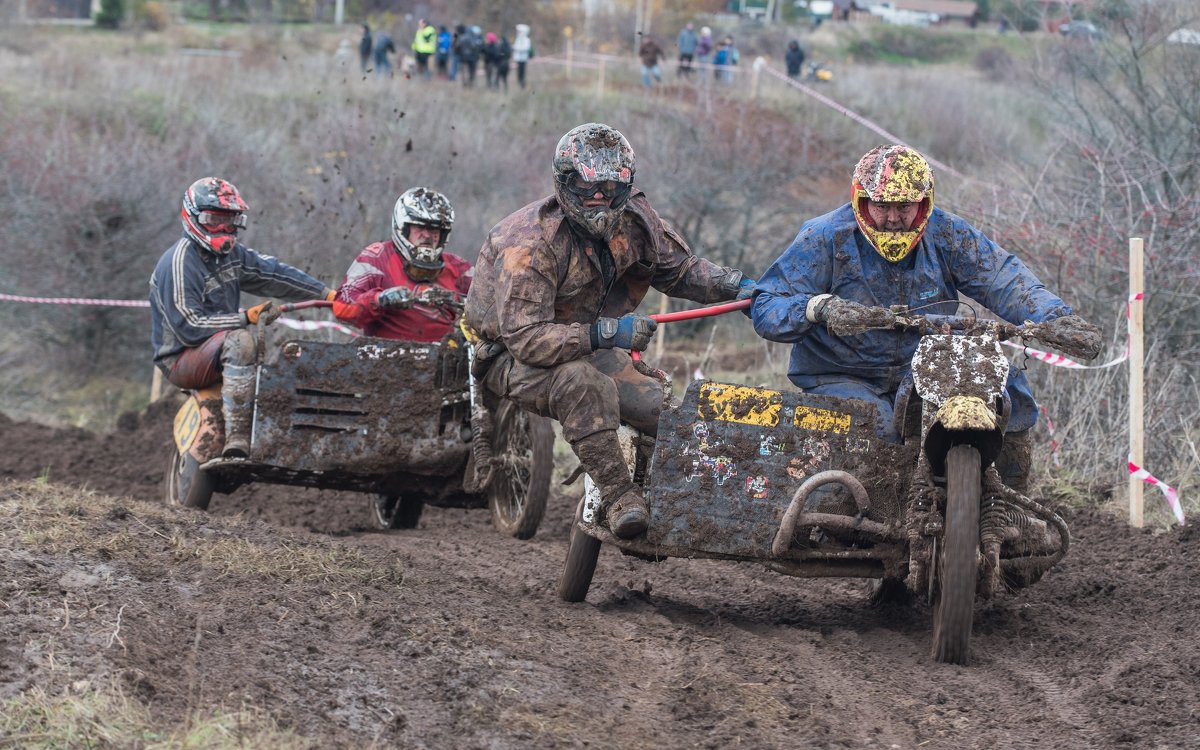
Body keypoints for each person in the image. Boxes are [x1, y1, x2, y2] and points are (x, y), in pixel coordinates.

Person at [749, 145, 1102, 493]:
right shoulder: (824, 236)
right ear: (861, 201)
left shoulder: (947, 234)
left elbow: (1003, 278)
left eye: (904, 207)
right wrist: (817, 308)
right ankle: (860, 520)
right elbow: (768, 305)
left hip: (926, 365)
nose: (891, 218)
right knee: (877, 430)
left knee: (1007, 389)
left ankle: (1005, 505)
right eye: (882, 206)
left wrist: (1057, 319)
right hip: (841, 372)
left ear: (924, 203)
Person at [462, 123, 756, 539]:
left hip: (591, 340)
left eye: (610, 185)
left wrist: (737, 286)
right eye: (587, 185)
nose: (599, 196)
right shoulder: (528, 244)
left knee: (662, 411)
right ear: (565, 183)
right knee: (583, 385)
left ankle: (682, 494)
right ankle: (620, 497)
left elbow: (681, 270)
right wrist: (606, 334)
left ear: (626, 185)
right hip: (510, 354)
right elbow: (526, 339)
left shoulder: (636, 219)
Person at [149, 178, 336, 458]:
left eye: (230, 220)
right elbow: (189, 326)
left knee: (278, 355)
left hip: (214, 348)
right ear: (194, 217)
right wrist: (245, 317)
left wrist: (328, 295)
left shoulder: (232, 256)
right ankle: (237, 435)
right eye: (214, 219)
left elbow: (273, 273)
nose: (223, 228)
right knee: (241, 341)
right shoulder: (180, 261)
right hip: (179, 355)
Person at [335, 188, 472, 342]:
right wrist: (380, 300)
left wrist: (466, 306)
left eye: (434, 228)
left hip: (445, 360)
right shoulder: (375, 257)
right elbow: (341, 307)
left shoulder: (459, 268)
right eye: (419, 227)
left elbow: (493, 308)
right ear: (403, 228)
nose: (426, 235)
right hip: (383, 358)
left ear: (443, 233)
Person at [512, 24, 534, 89]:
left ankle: (523, 86)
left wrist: (516, 48)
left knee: (522, 73)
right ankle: (519, 85)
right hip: (518, 59)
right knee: (518, 73)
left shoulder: (526, 40)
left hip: (523, 59)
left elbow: (525, 48)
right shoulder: (518, 39)